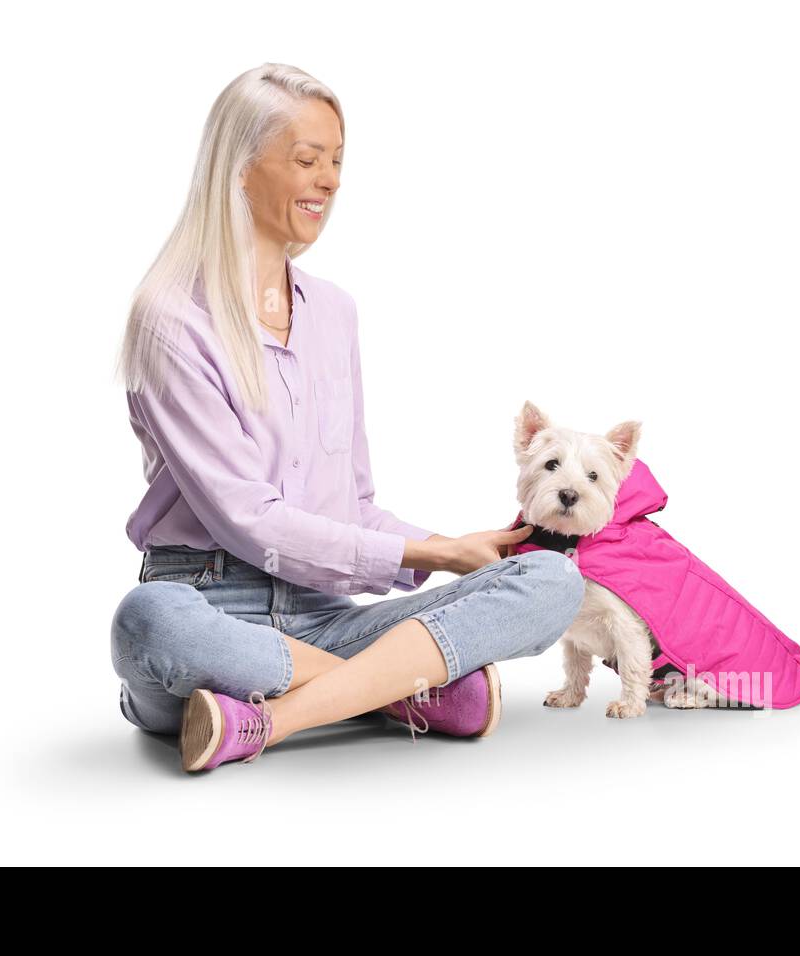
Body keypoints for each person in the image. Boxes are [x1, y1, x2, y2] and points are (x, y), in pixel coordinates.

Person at [110, 62, 586, 773]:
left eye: (337, 161)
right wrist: (436, 555)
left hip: (326, 614)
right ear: (239, 169)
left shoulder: (334, 313)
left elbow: (353, 506)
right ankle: (391, 691)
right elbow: (252, 519)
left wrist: (451, 542)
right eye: (307, 159)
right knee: (148, 623)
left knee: (553, 582)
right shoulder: (172, 317)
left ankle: (271, 719)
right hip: (211, 607)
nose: (330, 180)